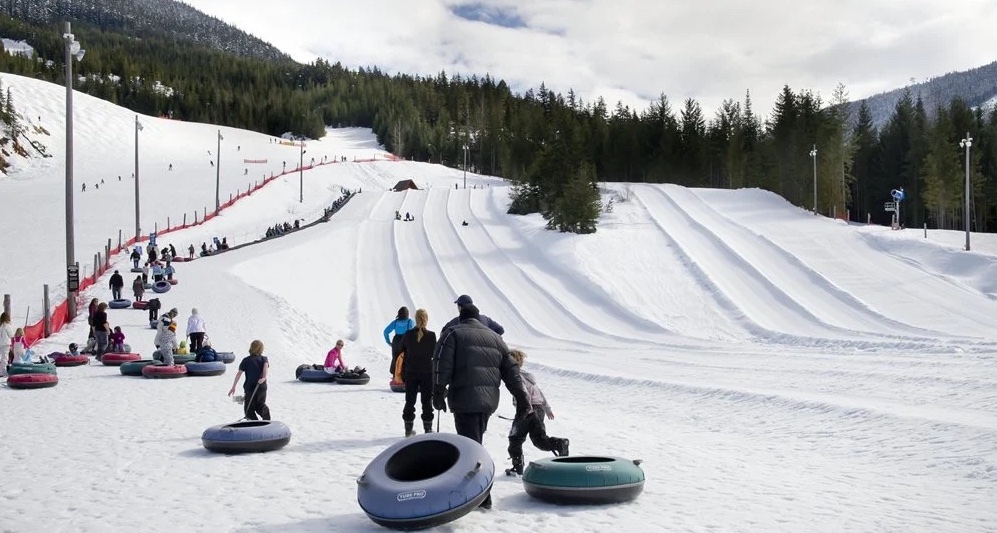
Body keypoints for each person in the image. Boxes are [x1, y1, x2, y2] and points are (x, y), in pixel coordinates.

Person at [433, 304, 531, 510]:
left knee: (472, 448)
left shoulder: (454, 334)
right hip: (487, 402)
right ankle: (479, 495)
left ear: (461, 317)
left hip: (463, 400)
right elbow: (511, 369)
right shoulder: (495, 338)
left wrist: (439, 391)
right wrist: (521, 397)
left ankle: (482, 496)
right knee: (475, 442)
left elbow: (442, 364)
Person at [506, 349, 570, 475]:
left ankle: (517, 467)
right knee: (539, 440)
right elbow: (540, 393)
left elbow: (524, 394)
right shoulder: (527, 376)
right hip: (538, 409)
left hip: (527, 409)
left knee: (515, 439)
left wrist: (527, 411)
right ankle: (559, 444)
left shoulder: (517, 376)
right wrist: (547, 408)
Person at [399, 309, 437, 436]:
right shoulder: (432, 336)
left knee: (410, 400)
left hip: (411, 371)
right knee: (427, 401)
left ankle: (408, 429)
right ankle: (428, 429)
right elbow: (434, 354)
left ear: (415, 319)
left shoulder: (408, 334)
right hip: (427, 372)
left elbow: (401, 349)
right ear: (426, 319)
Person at [438, 295, 504, 347]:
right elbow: (500, 330)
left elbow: (443, 333)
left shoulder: (456, 321)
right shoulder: (485, 319)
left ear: (460, 307)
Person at [228, 340, 271, 421]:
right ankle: (266, 419)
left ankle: (254, 424)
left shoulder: (246, 360)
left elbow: (239, 374)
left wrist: (233, 387)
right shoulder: (264, 359)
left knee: (248, 409)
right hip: (261, 386)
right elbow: (265, 367)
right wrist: (264, 378)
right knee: (259, 404)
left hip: (250, 387)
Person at [384, 307, 415, 373]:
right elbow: (413, 332)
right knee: (405, 358)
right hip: (406, 340)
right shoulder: (410, 322)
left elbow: (385, 331)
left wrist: (388, 341)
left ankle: (395, 375)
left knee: (395, 357)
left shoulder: (395, 322)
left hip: (396, 341)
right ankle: (403, 376)